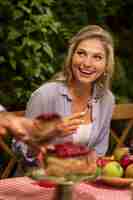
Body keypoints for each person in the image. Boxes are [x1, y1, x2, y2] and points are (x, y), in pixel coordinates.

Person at [13, 25, 115, 175]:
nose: (87, 63)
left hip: (80, 181)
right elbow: (20, 149)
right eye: (81, 53)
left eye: (97, 57)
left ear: (106, 65)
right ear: (71, 57)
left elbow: (99, 151)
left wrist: (90, 164)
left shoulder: (107, 99)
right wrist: (51, 133)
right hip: (38, 182)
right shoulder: (45, 95)